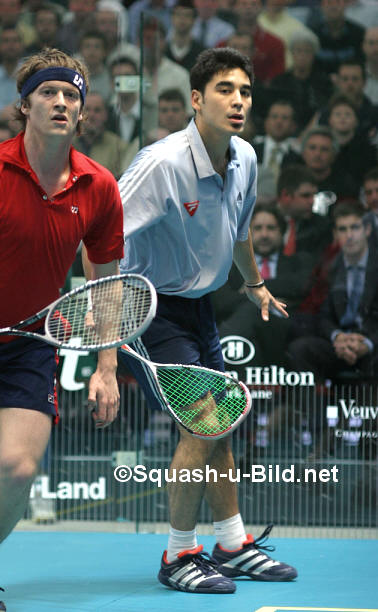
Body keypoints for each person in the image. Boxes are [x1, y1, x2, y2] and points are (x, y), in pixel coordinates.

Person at [0, 47, 124, 612]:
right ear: (24, 105)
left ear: (82, 110)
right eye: (48, 93)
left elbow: (108, 284)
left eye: (71, 95)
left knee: (20, 467)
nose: (61, 102)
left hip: (27, 345)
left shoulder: (98, 187)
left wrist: (107, 366)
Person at [115, 47, 297, 594]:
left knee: (220, 424)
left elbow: (239, 230)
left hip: (201, 308)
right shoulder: (161, 164)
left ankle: (232, 544)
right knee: (202, 424)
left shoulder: (245, 157)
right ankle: (178, 554)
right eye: (225, 90)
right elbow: (102, 234)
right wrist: (107, 322)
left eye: (245, 91)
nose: (238, 101)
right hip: (151, 308)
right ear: (196, 99)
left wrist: (254, 282)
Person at [286, 200, 378, 383]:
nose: (349, 235)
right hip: (339, 343)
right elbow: (322, 315)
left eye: (355, 227)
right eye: (343, 229)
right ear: (335, 234)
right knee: (300, 349)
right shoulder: (329, 267)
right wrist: (337, 337)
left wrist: (367, 344)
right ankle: (312, 403)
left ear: (367, 230)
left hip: (372, 342)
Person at [213, 202, 313, 365]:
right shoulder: (230, 267)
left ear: (282, 232)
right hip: (245, 330)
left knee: (250, 312)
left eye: (271, 228)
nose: (264, 234)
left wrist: (255, 287)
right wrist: (263, 301)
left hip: (285, 329)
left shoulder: (298, 262)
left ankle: (218, 364)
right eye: (258, 228)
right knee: (250, 315)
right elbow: (221, 302)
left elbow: (300, 286)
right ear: (247, 233)